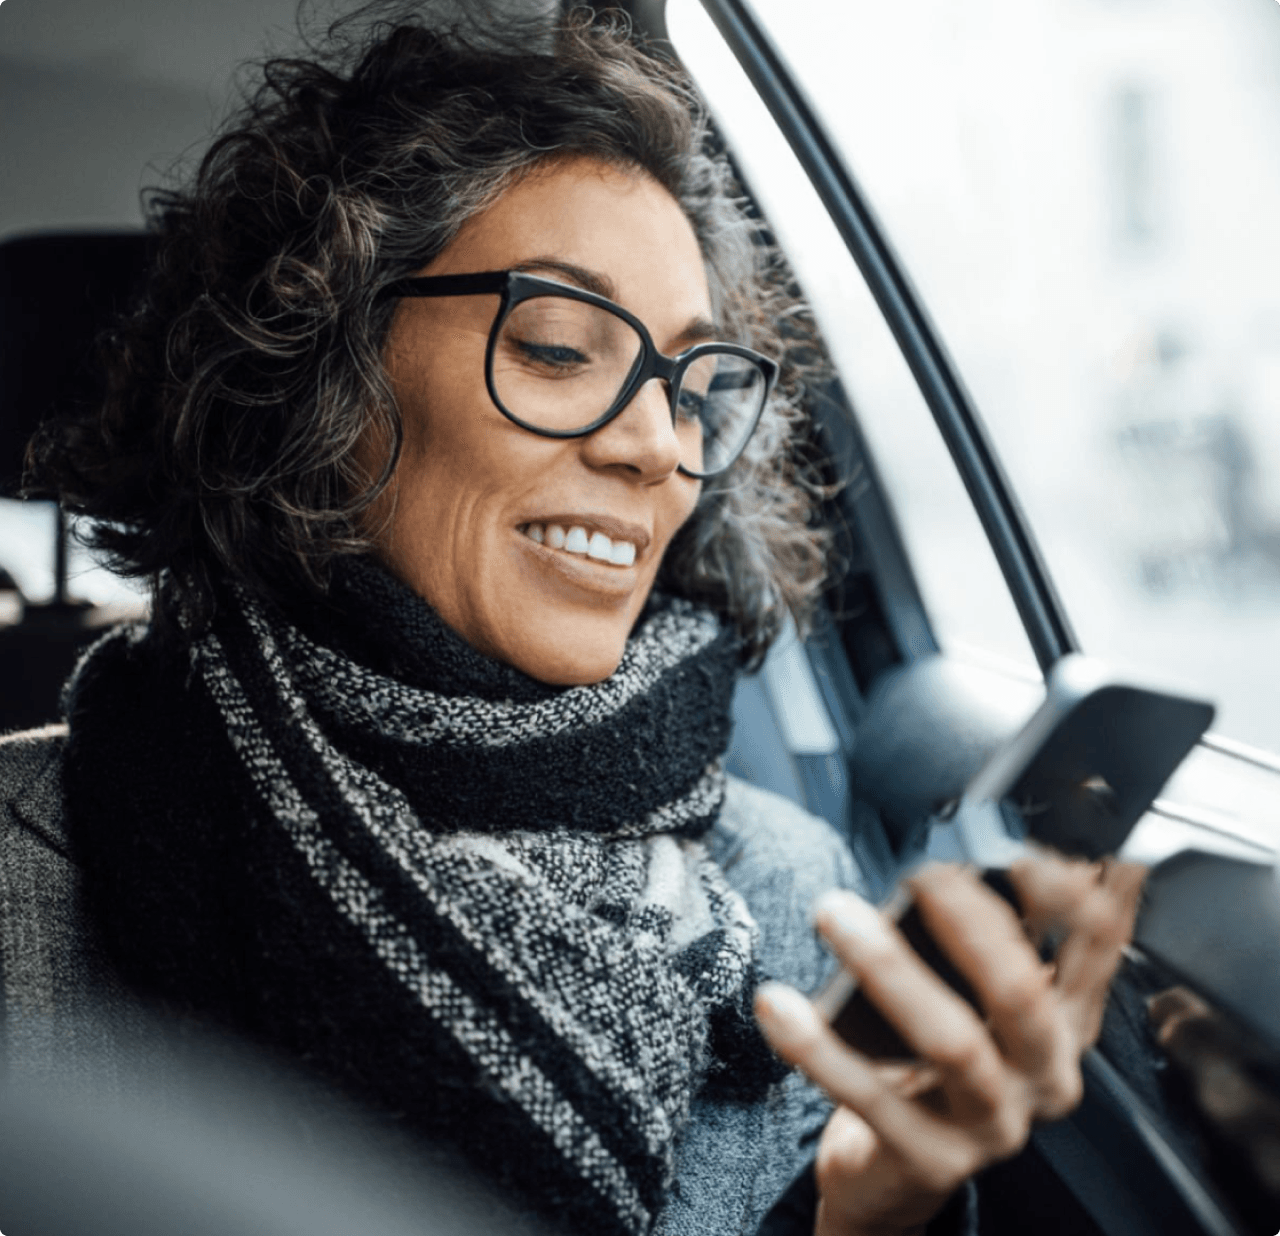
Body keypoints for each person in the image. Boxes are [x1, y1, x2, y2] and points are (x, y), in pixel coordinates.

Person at [4, 5, 1145, 1235]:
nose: (657, 444)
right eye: (556, 346)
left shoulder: (790, 887)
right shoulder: (28, 870)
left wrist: (868, 1209)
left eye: (694, 385)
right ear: (314, 382)